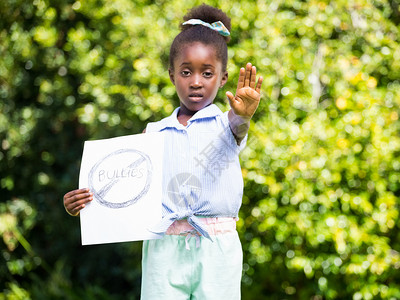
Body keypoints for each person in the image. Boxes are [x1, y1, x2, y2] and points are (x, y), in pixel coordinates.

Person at [63, 4, 262, 299]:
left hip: (217, 248)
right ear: (171, 75)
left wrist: (244, 115)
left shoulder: (226, 124)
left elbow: (238, 127)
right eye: (186, 71)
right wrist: (84, 202)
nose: (196, 81)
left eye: (207, 73)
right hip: (163, 250)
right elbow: (122, 189)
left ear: (222, 78)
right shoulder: (152, 133)